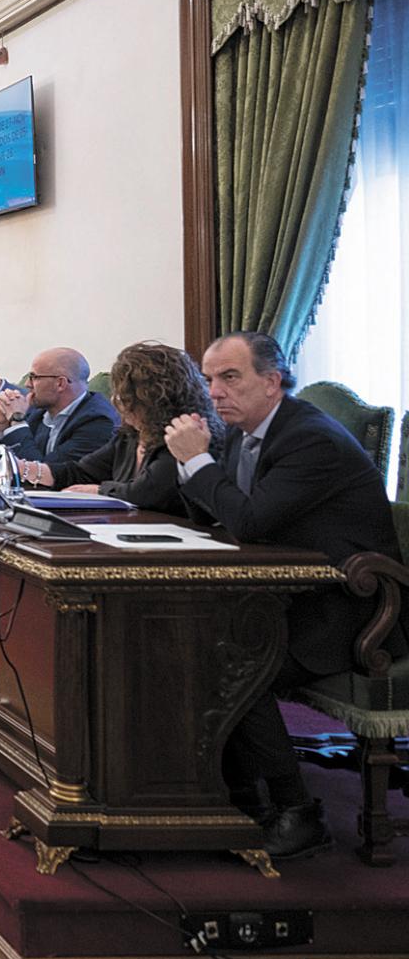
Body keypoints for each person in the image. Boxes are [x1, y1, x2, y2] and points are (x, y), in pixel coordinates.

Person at [168, 331, 404, 860]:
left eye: (230, 377)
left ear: (272, 382)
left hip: (344, 609)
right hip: (283, 593)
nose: (215, 391)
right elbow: (217, 514)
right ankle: (238, 795)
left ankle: (299, 812)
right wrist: (192, 464)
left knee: (232, 667)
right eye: (209, 379)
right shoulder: (243, 433)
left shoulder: (309, 439)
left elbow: (250, 520)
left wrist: (197, 462)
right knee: (186, 642)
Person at [21, 342, 223, 515]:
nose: (116, 400)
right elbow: (82, 471)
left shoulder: (185, 432)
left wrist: (100, 492)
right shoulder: (131, 435)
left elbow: (148, 493)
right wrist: (25, 469)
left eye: (125, 394)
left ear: (152, 397)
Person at [0, 347, 118, 470]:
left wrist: (17, 420)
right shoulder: (39, 411)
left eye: (34, 377)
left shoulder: (98, 422)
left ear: (60, 383)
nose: (27, 384)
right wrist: (1, 425)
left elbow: (40, 473)